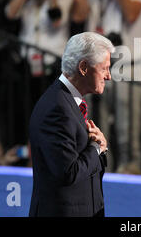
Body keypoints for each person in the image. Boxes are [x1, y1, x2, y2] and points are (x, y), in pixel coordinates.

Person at [72, 0, 141, 172]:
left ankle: (131, 184)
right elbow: (78, 15)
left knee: (128, 135)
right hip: (95, 67)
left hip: (129, 66)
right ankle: (99, 178)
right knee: (96, 131)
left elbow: (132, 13)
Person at [29, 32, 114, 217]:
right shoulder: (57, 107)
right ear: (83, 67)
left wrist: (100, 148)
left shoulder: (68, 101)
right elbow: (68, 172)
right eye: (104, 68)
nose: (108, 76)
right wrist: (96, 148)